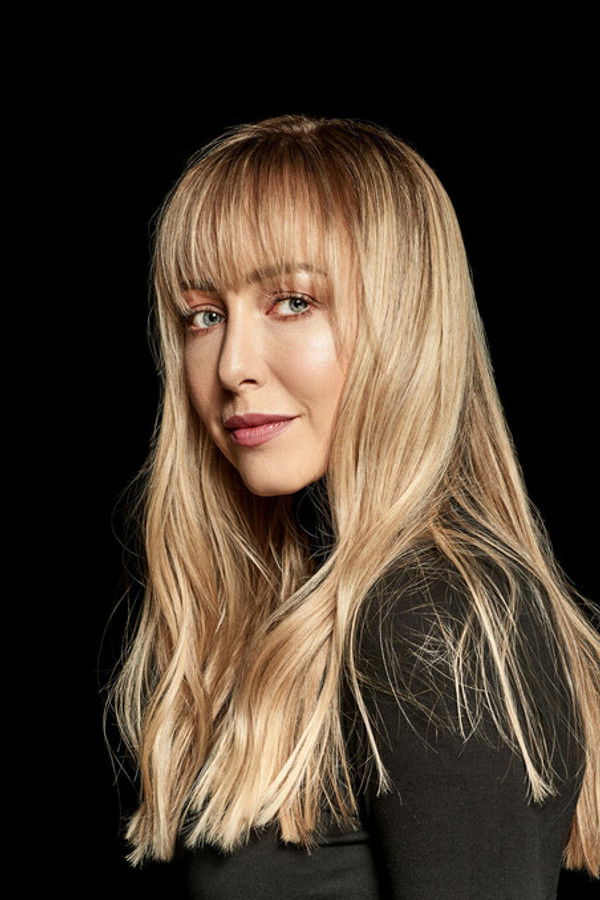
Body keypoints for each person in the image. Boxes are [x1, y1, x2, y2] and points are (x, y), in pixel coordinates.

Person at [106, 114, 600, 898]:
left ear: (404, 320)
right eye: (204, 314)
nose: (231, 365)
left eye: (292, 301)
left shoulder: (430, 612)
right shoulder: (329, 599)